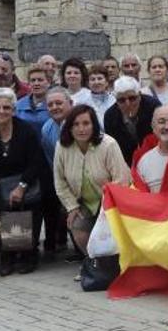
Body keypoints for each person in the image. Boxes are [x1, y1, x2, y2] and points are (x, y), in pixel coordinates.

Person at [0, 87, 44, 276]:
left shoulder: (25, 130)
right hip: (0, 184)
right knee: (8, 218)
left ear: (13, 109)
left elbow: (36, 161)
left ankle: (28, 257)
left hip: (27, 181)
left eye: (6, 107)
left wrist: (21, 186)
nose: (1, 112)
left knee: (26, 216)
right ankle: (8, 258)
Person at [54, 104, 131, 254]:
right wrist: (72, 207)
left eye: (86, 123)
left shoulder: (109, 145)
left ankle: (113, 265)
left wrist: (105, 209)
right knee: (77, 225)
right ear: (69, 127)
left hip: (111, 202)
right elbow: (60, 182)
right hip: (82, 203)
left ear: (94, 125)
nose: (81, 129)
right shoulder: (62, 146)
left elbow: (121, 179)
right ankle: (92, 264)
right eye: (76, 124)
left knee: (110, 237)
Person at [40, 86, 73, 258]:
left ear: (70, 103)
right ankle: (55, 240)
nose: (54, 107)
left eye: (59, 103)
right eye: (50, 104)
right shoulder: (46, 129)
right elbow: (51, 159)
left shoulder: (83, 122)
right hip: (61, 177)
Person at [104, 76, 162, 165]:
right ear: (116, 100)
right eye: (121, 100)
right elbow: (113, 148)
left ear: (139, 96)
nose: (128, 104)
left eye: (132, 98)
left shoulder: (154, 107)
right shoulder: (110, 116)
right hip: (126, 161)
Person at [132, 106, 168, 193]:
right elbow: (142, 200)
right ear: (153, 127)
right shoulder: (144, 162)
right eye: (161, 122)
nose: (167, 127)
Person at [15, 64, 51, 135]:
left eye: (40, 80)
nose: (36, 83)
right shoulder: (19, 105)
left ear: (48, 82)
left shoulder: (54, 105)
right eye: (33, 80)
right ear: (29, 83)